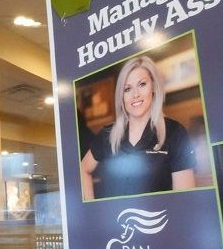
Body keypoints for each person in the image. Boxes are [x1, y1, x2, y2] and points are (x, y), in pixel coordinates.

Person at [79, 55, 195, 199]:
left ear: (153, 86)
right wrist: (91, 209)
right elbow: (82, 169)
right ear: (121, 96)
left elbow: (185, 200)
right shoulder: (107, 134)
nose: (135, 95)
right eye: (127, 89)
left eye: (142, 84)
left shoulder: (175, 133)